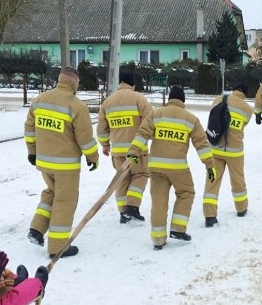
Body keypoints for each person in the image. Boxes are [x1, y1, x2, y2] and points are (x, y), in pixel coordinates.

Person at [125, 86, 216, 250]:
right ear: (183, 101)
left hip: (156, 167)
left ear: (169, 99)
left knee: (159, 201)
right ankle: (178, 228)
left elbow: (142, 134)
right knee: (186, 193)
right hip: (178, 168)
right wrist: (210, 165)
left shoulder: (155, 114)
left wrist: (133, 153)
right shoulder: (191, 119)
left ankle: (158, 239)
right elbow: (201, 145)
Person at [24, 66, 99, 258]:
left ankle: (37, 229)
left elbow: (29, 129)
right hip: (66, 166)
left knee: (51, 193)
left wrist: (32, 152)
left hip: (45, 163)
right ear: (75, 82)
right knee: (65, 201)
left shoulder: (39, 100)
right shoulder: (76, 105)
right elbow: (85, 139)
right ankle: (58, 246)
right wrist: (93, 157)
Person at [96, 71, 153, 224]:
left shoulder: (108, 102)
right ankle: (132, 207)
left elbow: (101, 128)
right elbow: (150, 121)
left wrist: (105, 145)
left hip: (118, 152)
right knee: (140, 175)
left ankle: (123, 212)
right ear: (133, 84)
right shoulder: (139, 99)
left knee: (122, 179)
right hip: (137, 150)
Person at [202, 81, 254, 227]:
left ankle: (209, 216)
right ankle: (241, 208)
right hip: (234, 152)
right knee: (238, 180)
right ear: (244, 93)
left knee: (212, 181)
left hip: (215, 148)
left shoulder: (217, 100)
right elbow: (242, 125)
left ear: (233, 90)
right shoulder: (247, 109)